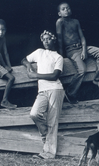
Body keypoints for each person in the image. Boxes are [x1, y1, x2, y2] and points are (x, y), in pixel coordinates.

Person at [22, 30, 65, 159]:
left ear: (54, 40)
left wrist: (35, 75)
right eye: (44, 39)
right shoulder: (39, 52)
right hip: (42, 91)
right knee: (34, 114)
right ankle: (47, 139)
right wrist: (29, 66)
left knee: (52, 121)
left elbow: (55, 75)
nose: (46, 41)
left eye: (49, 39)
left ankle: (49, 153)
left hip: (55, 90)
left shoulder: (58, 57)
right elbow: (24, 59)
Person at [56, 2, 99, 103]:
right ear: (59, 13)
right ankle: (70, 92)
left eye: (68, 8)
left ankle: (97, 79)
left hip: (82, 47)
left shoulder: (75, 21)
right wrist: (61, 57)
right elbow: (60, 41)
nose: (66, 10)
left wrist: (84, 50)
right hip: (71, 50)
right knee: (82, 70)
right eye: (63, 9)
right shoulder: (60, 22)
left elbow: (82, 38)